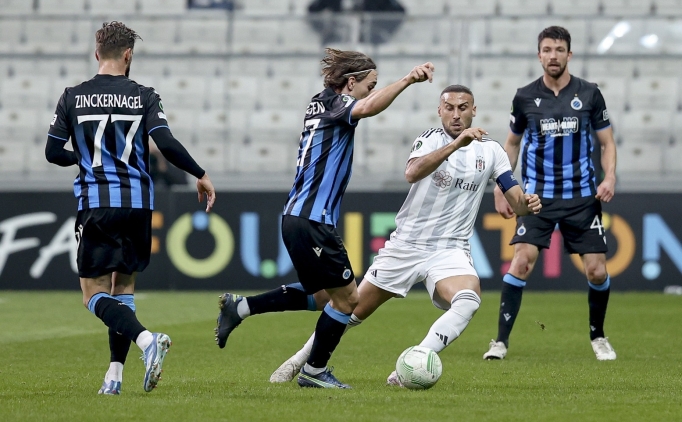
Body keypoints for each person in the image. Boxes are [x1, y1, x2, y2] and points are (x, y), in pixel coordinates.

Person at [267, 84, 542, 386]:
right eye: (449, 107)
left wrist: (527, 204)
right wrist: (456, 145)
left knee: (468, 300)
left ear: (473, 111)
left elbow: (515, 201)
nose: (455, 114)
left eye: (463, 107)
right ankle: (299, 361)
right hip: (406, 244)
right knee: (352, 308)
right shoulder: (428, 140)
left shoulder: (491, 151)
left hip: (450, 249)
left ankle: (414, 363)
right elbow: (412, 173)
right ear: (439, 110)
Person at [215, 48, 434, 389]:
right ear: (351, 83)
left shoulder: (321, 103)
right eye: (369, 85)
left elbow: (362, 105)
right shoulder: (338, 104)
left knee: (322, 296)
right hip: (312, 221)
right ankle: (315, 371)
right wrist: (407, 79)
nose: (371, 91)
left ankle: (241, 308)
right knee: (349, 299)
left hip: (296, 217)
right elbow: (367, 107)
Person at [45, 21, 216, 395]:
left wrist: (86, 157)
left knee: (93, 294)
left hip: (98, 203)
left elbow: (52, 152)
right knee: (122, 289)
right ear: (128, 55)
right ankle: (114, 376)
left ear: (96, 54)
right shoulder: (144, 95)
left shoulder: (73, 96)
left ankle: (145, 341)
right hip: (138, 204)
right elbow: (166, 143)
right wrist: (199, 173)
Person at [483, 26, 618, 361]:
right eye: (547, 50)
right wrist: (501, 187)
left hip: (583, 198)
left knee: (597, 271)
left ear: (569, 54)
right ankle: (499, 342)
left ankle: (598, 336)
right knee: (522, 262)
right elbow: (511, 144)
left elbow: (607, 142)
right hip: (536, 199)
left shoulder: (589, 93)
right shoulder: (525, 96)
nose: (553, 56)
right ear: (538, 54)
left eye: (559, 50)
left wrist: (610, 176)